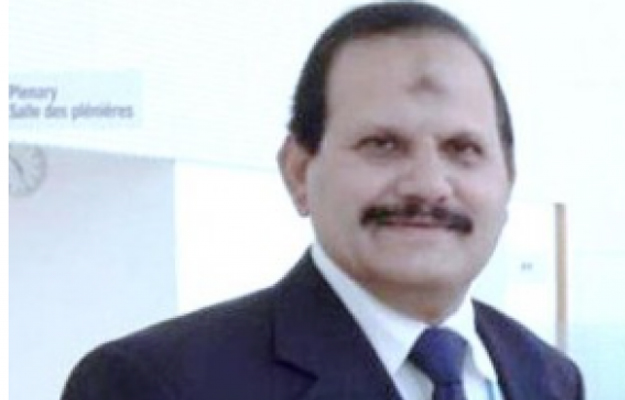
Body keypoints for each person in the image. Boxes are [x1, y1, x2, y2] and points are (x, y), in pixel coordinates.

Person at [61, 2, 584, 400]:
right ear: (298, 171)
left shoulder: (548, 377)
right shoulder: (156, 383)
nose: (428, 184)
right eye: (382, 144)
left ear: (508, 179)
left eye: (462, 149)